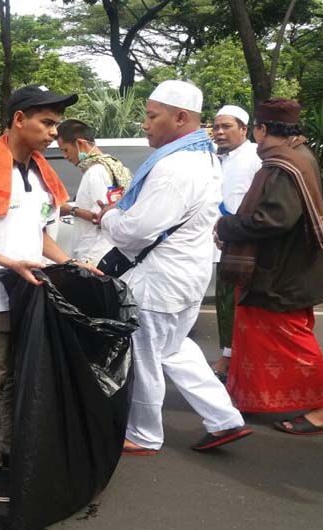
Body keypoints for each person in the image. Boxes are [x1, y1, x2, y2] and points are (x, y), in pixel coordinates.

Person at [0, 85, 101, 502]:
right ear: (18, 120)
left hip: (30, 294)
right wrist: (9, 262)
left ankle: (13, 451)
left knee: (20, 377)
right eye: (47, 123)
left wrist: (69, 263)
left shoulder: (41, 174)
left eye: (55, 124)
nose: (53, 133)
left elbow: (39, 235)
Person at [97, 80, 251, 455]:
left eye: (152, 116)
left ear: (180, 117)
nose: (145, 124)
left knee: (146, 355)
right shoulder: (204, 158)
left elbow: (136, 231)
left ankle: (145, 434)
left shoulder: (176, 166)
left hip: (160, 281)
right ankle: (224, 419)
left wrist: (109, 217)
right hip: (186, 276)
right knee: (176, 348)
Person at [216, 98, 323, 435]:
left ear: (261, 129)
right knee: (255, 336)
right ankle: (248, 398)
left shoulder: (282, 164)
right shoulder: (298, 155)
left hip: (281, 273)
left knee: (290, 340)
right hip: (287, 267)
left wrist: (226, 227)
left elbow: (274, 219)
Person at [211, 105, 262, 380]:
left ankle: (232, 360)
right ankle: (229, 357)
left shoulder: (255, 156)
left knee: (239, 304)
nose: (219, 132)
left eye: (226, 126)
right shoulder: (219, 158)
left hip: (245, 243)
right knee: (224, 302)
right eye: (216, 127)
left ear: (244, 129)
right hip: (221, 243)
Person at [56, 118, 129, 265]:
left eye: (65, 150)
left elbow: (99, 216)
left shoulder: (96, 172)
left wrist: (71, 209)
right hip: (102, 250)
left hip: (94, 252)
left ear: (80, 143)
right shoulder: (110, 166)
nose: (65, 156)